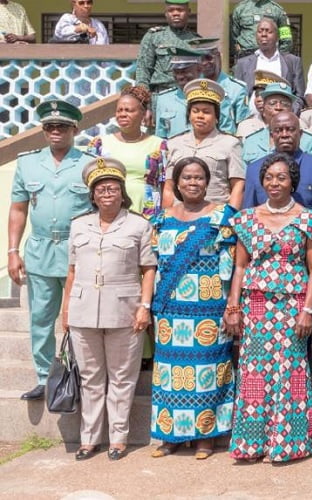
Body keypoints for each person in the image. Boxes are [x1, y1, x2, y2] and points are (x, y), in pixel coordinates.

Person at [224, 152, 312, 463]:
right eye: (269, 177)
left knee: (290, 371)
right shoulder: (246, 219)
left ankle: (288, 444)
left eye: (281, 177)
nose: (274, 183)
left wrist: (308, 310)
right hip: (256, 304)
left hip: (292, 305)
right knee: (254, 372)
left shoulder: (310, 219)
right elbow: (240, 267)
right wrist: (233, 305)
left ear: (292, 182)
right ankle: (252, 444)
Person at [62, 158, 157, 461]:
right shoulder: (78, 225)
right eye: (101, 189)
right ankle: (89, 439)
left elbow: (149, 269)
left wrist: (145, 307)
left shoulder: (139, 225)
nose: (107, 193)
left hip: (124, 309)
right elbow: (72, 271)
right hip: (83, 309)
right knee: (90, 377)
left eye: (113, 188)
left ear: (122, 192)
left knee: (121, 377)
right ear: (92, 195)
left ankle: (118, 438)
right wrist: (65, 311)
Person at [149, 157, 237, 459]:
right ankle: (171, 435)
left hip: (209, 309)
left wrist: (230, 305)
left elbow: (232, 262)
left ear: (208, 181)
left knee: (208, 373)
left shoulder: (222, 216)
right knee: (170, 374)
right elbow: (155, 263)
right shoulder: (162, 218)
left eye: (199, 177)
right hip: (170, 309)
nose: (192, 183)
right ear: (176, 182)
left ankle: (205, 437)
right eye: (186, 177)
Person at [8, 100, 93, 401]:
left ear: (74, 129)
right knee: (41, 318)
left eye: (62, 127)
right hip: (41, 249)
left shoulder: (89, 163)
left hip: (78, 250)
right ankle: (44, 378)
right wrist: (12, 251)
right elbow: (18, 208)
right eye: (49, 127)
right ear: (44, 131)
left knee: (80, 320)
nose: (55, 131)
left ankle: (82, 375)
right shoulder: (28, 163)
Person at [164, 79, 245, 209]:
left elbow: (238, 185)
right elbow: (169, 186)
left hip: (216, 213)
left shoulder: (230, 144)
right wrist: (168, 215)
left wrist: (229, 217)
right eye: (195, 111)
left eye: (206, 112)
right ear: (189, 115)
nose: (200, 116)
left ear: (216, 117)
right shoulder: (174, 143)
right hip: (180, 214)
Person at [88, 86, 167, 219]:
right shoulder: (100, 144)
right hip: (109, 213)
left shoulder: (158, 145)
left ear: (143, 114)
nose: (122, 114)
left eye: (129, 110)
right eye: (119, 110)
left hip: (147, 214)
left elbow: (165, 186)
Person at [243, 111, 312, 210]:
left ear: (300, 134)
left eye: (290, 130)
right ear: (272, 136)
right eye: (278, 130)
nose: (284, 135)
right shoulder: (254, 169)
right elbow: (249, 212)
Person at [242, 83, 312, 165]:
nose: (278, 107)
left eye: (285, 104)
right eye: (272, 103)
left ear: (292, 110)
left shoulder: (309, 141)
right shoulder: (251, 141)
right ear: (263, 110)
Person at [234, 18, 307, 110]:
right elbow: (237, 96)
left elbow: (300, 97)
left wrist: (288, 113)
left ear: (277, 36)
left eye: (268, 31)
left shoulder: (293, 62)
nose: (264, 34)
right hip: (252, 119)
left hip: (282, 120)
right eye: (260, 31)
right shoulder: (243, 64)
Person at [135, 0, 199, 93]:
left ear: (188, 12)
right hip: (161, 93)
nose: (175, 14)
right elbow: (143, 69)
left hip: (188, 94)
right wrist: (142, 95)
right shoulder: (154, 36)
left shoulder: (196, 40)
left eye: (180, 10)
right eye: (171, 10)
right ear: (166, 13)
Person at [190, 38, 252, 132]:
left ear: (218, 57)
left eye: (208, 58)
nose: (205, 63)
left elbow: (242, 127)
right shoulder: (192, 87)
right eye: (200, 59)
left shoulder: (237, 89)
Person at [154, 48, 205, 139]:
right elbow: (160, 137)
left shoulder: (214, 96)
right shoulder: (164, 99)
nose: (180, 76)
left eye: (185, 72)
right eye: (176, 72)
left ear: (199, 69)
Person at [236, 70, 290, 137]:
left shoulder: (296, 126)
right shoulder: (245, 126)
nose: (258, 99)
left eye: (264, 95)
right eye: (256, 94)